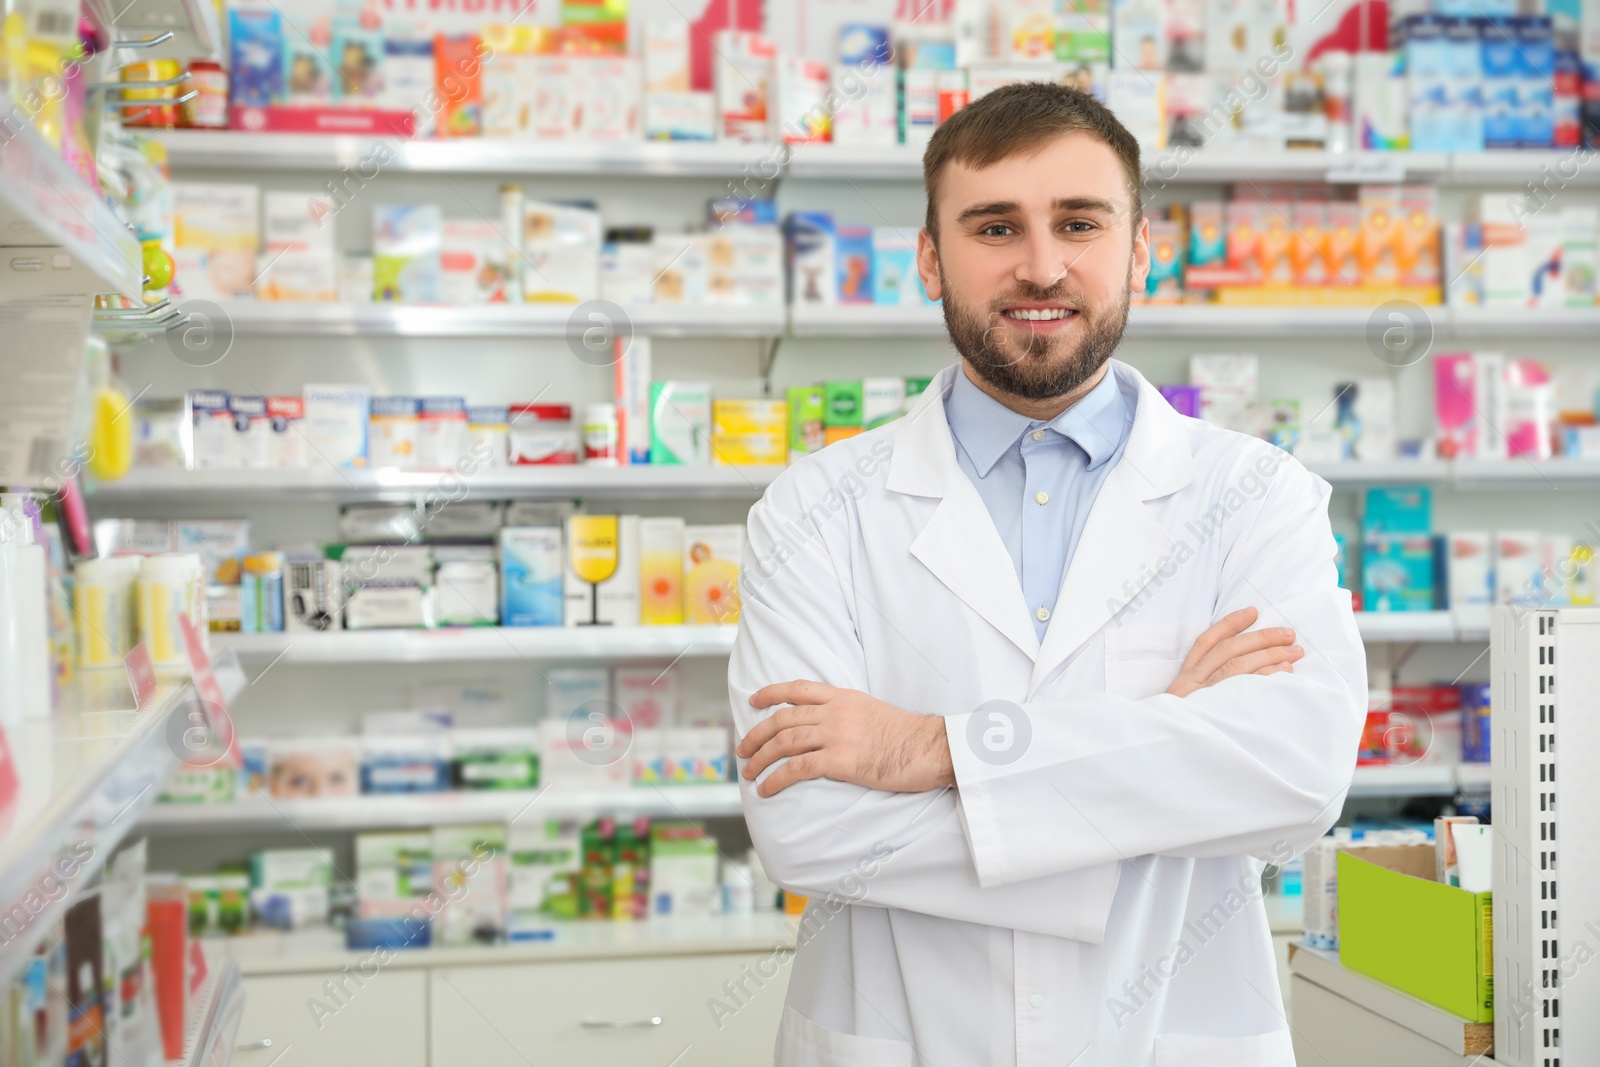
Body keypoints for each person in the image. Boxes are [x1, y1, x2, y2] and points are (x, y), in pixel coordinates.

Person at [730, 83, 1365, 1067]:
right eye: (994, 226)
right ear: (931, 257)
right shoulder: (817, 506)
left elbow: (1294, 774)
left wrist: (935, 749)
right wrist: (1167, 754)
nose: (1040, 264)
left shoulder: (1255, 494)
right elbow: (805, 827)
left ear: (1141, 249)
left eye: (1079, 221)